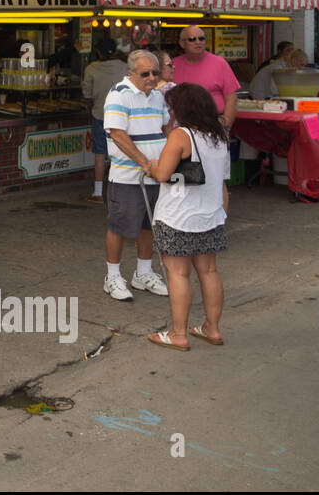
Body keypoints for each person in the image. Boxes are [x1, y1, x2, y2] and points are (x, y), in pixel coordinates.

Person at [145, 83, 230, 351]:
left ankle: (178, 334)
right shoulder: (218, 136)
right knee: (209, 271)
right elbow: (220, 180)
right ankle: (212, 328)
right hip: (212, 215)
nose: (169, 111)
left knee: (178, 275)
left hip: (178, 216)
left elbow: (162, 174)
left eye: (171, 107)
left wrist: (151, 166)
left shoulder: (181, 135)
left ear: (182, 108)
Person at [101, 50, 169, 301]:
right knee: (118, 226)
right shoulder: (119, 95)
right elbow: (118, 134)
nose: (152, 77)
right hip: (127, 176)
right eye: (145, 73)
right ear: (130, 73)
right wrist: (144, 163)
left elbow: (165, 126)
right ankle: (112, 277)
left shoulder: (158, 95)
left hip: (155, 173)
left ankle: (143, 273)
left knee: (148, 225)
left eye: (155, 72)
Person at [82, 37, 129, 203]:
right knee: (123, 151)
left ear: (99, 52)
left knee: (100, 153)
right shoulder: (126, 67)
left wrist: (92, 105)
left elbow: (86, 95)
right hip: (123, 117)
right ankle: (123, 191)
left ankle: (98, 192)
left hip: (100, 115)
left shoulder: (92, 69)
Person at [172, 26, 239, 128]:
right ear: (182, 43)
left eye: (201, 38)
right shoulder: (173, 65)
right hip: (182, 124)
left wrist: (226, 125)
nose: (198, 42)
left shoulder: (220, 63)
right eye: (192, 39)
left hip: (213, 122)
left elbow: (231, 98)